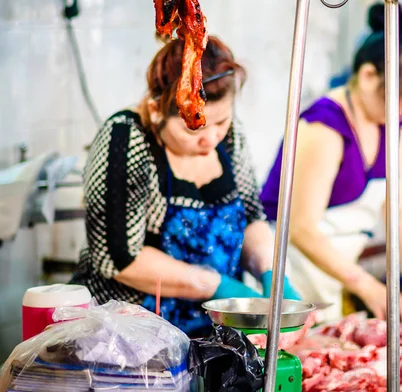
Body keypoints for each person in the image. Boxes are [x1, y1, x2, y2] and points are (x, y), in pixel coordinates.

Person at [71, 36, 300, 337]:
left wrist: (273, 273)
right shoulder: (126, 138)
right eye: (195, 128)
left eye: (221, 122)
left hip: (216, 329)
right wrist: (215, 286)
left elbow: (251, 214)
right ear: (156, 110)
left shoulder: (229, 136)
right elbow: (118, 258)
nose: (211, 139)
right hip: (132, 337)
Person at [260, 3, 402, 324]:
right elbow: (301, 229)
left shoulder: (392, 123)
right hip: (287, 280)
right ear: (368, 74)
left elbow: (397, 206)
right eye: (399, 95)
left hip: (330, 281)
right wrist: (368, 287)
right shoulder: (326, 125)